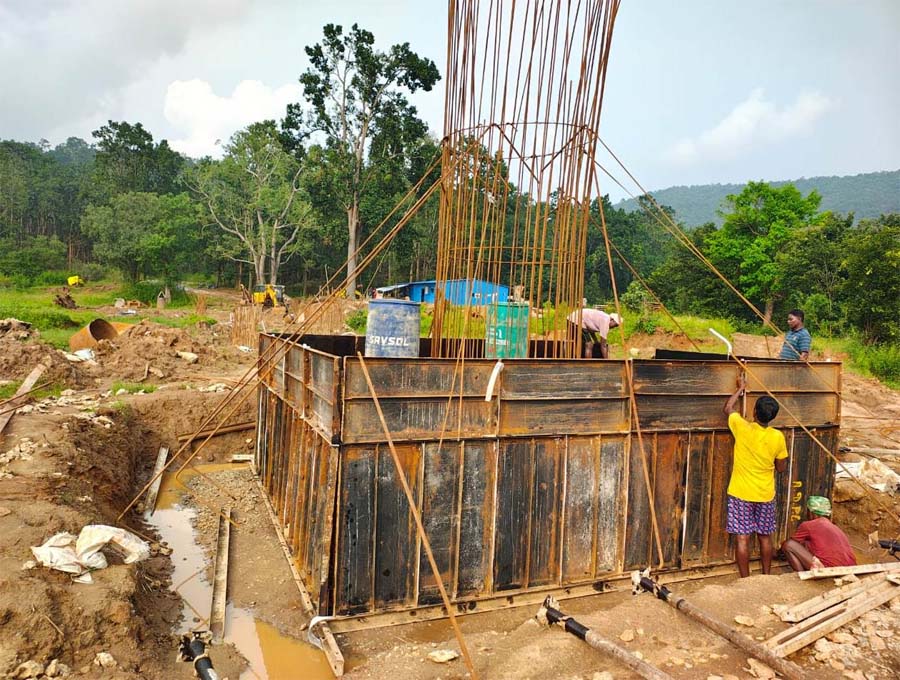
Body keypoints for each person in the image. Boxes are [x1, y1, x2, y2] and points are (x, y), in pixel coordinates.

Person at [723, 376, 788, 577]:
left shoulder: (742, 428)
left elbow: (728, 408)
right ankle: (766, 576)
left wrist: (740, 389)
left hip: (741, 492)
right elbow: (781, 468)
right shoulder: (777, 437)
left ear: (754, 412)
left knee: (742, 538)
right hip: (765, 494)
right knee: (765, 537)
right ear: (772, 417)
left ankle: (745, 580)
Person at [780, 496, 856, 571]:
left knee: (788, 545)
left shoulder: (808, 525)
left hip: (829, 569)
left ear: (811, 513)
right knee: (806, 543)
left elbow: (793, 543)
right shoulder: (835, 527)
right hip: (851, 568)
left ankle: (800, 575)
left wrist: (777, 553)